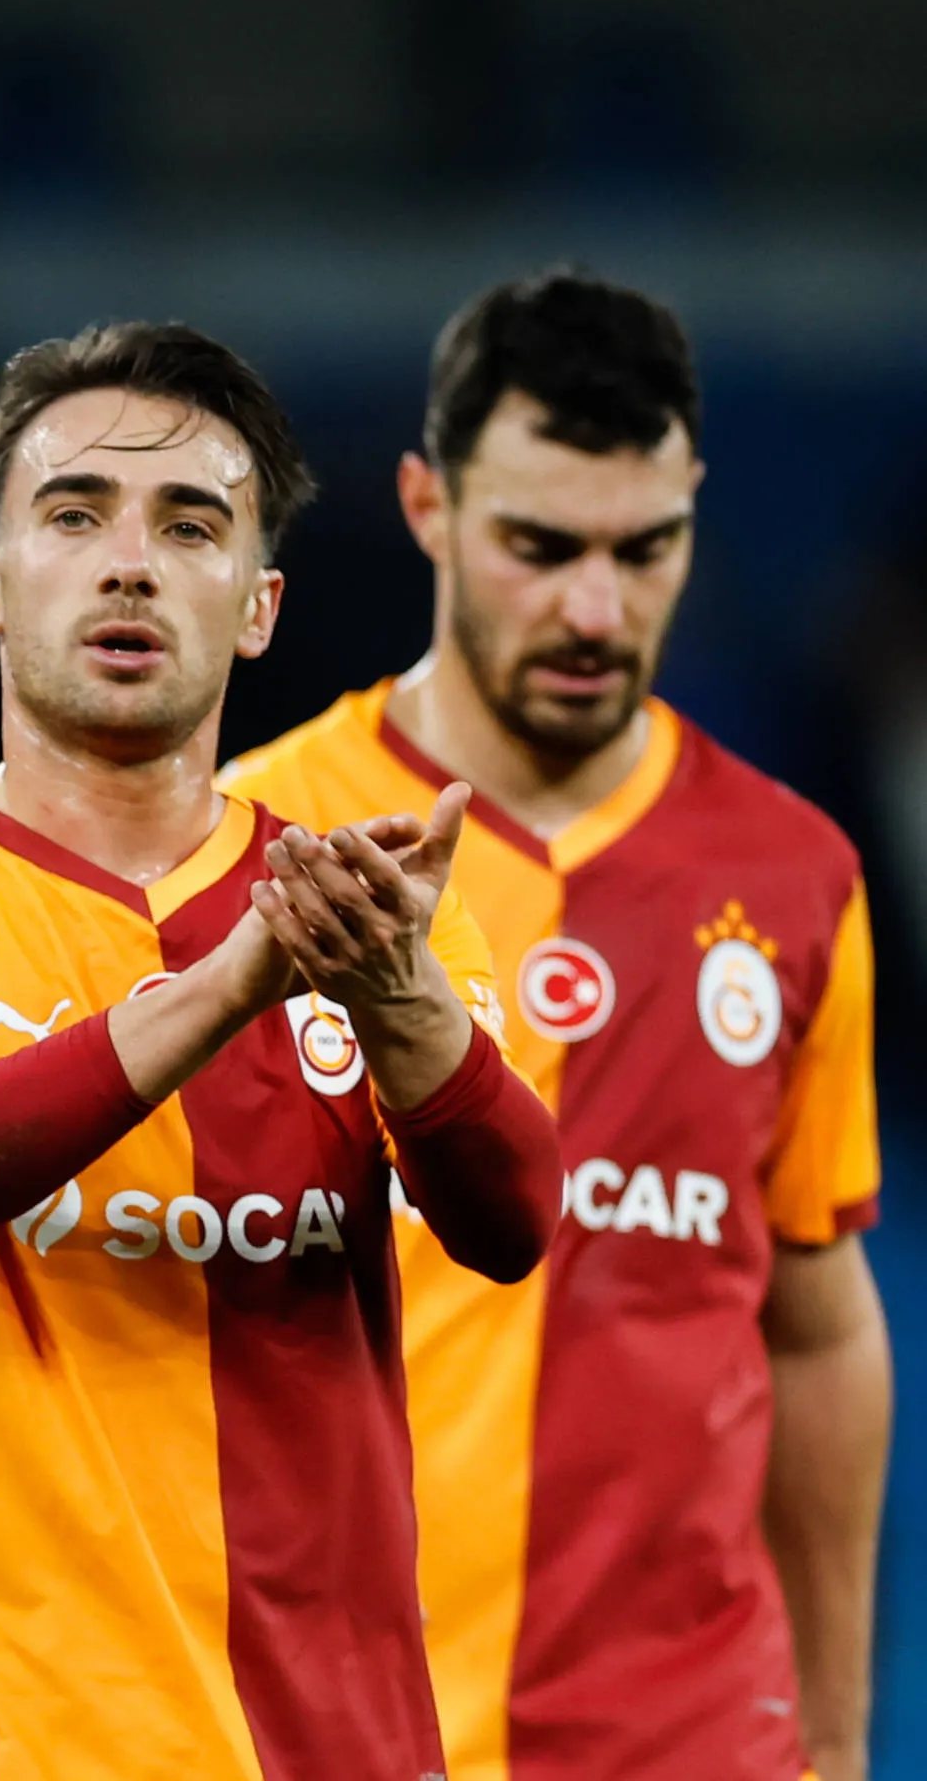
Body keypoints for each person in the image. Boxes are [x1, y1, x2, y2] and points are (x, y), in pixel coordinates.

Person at [0, 322, 559, 1780]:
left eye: (191, 527)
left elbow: (512, 1223)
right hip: (8, 1730)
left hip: (337, 1740)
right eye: (74, 516)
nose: (130, 562)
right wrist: (232, 981)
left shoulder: (362, 915)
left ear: (257, 607)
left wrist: (399, 999)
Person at [225, 270, 888, 1781]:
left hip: (688, 1741)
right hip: (332, 1737)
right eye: (539, 547)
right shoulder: (259, 843)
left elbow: (820, 1322)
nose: (596, 609)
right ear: (425, 504)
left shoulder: (795, 877)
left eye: (644, 550)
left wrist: (837, 1742)